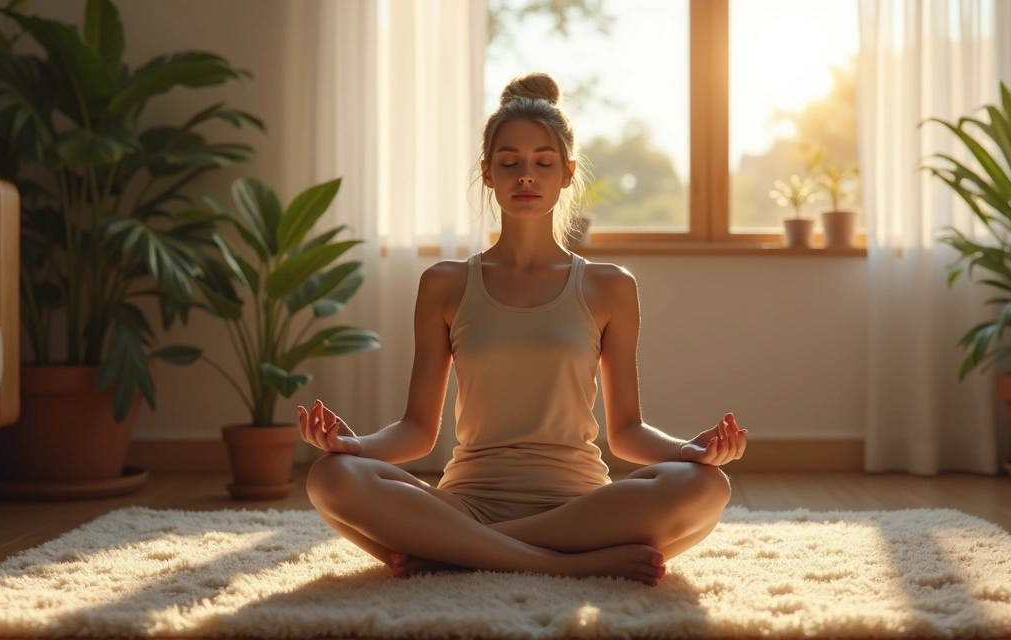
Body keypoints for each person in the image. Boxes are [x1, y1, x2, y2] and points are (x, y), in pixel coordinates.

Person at [299, 72, 747, 587]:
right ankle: (558, 563)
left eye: (543, 162)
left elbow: (626, 433)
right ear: (488, 174)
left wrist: (691, 453)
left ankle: (458, 553)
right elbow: (418, 432)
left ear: (567, 174)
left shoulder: (609, 287)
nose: (526, 176)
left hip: (580, 507)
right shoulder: (445, 284)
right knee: (330, 477)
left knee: (707, 488)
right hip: (465, 503)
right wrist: (351, 447)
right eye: (509, 163)